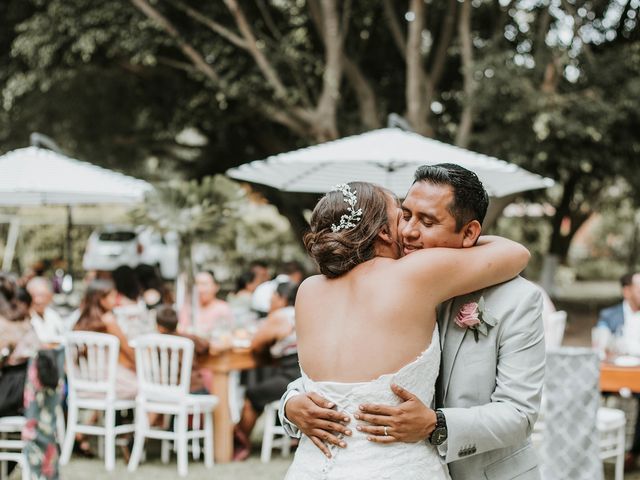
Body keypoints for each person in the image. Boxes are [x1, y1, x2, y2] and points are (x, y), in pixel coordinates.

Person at [278, 177, 534, 479]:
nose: (410, 231)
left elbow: (323, 382)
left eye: (422, 220)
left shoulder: (308, 291)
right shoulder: (414, 275)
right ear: (385, 232)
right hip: (397, 467)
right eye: (403, 217)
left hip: (312, 467)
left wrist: (291, 403)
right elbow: (516, 253)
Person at [234, 281, 300, 461]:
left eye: (273, 297)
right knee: (265, 383)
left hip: (292, 374)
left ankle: (239, 442)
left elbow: (256, 344)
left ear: (282, 298)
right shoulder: (303, 312)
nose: (270, 302)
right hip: (305, 373)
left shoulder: (281, 315)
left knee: (253, 393)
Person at [597, 271, 640, 470]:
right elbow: (600, 343)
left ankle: (634, 452)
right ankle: (592, 447)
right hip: (613, 374)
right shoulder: (609, 314)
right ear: (627, 291)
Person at [155, 306, 211, 393]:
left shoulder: (152, 342)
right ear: (177, 323)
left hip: (165, 391)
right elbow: (207, 346)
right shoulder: (189, 339)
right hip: (191, 388)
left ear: (158, 326)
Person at [178, 270, 234, 335]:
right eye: (197, 284)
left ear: (215, 287)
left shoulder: (223, 308)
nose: (200, 289)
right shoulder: (187, 308)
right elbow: (181, 330)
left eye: (204, 284)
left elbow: (228, 334)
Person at [26, 276, 65, 343]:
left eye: (42, 295)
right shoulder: (25, 318)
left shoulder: (52, 315)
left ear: (50, 296)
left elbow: (64, 336)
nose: (38, 300)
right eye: (34, 295)